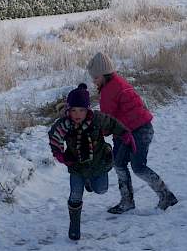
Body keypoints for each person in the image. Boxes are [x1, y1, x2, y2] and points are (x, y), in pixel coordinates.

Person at [87, 52, 178, 214]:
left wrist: (98, 133)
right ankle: (127, 201)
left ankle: (166, 196)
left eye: (95, 78)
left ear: (104, 74)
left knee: (138, 166)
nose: (94, 82)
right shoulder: (116, 83)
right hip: (128, 131)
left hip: (139, 130)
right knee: (119, 163)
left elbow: (107, 120)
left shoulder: (109, 90)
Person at [48, 83, 136, 240]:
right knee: (75, 195)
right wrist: (59, 153)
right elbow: (54, 136)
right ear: (68, 110)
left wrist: (125, 134)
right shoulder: (65, 124)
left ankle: (90, 182)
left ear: (87, 109)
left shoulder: (96, 119)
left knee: (101, 189)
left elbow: (112, 123)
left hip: (99, 164)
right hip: (76, 165)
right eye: (73, 110)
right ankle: (74, 227)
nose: (77, 114)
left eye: (81, 110)